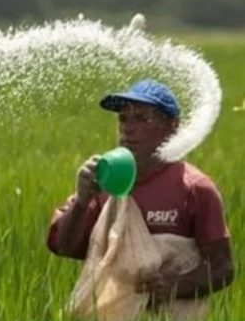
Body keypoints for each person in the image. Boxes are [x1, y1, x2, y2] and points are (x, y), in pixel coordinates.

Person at [47, 79, 233, 309]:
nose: (128, 128)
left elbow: (222, 268)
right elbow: (64, 247)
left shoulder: (195, 189)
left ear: (172, 127)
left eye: (142, 119)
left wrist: (174, 285)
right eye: (123, 119)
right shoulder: (103, 181)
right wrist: (81, 202)